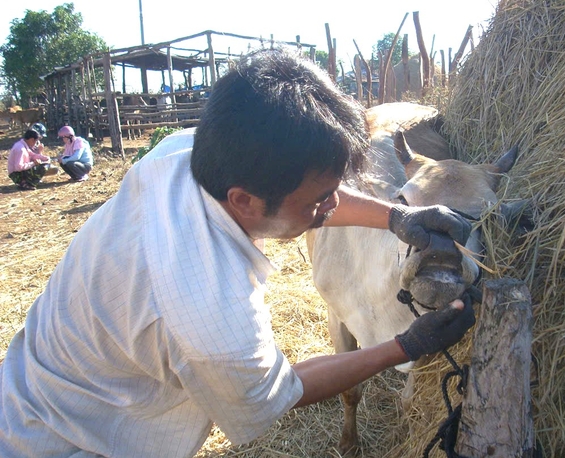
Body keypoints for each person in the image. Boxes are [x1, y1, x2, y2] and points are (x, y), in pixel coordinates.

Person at [0, 49, 475, 457]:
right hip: (72, 443)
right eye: (319, 200)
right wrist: (405, 346)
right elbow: (278, 393)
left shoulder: (187, 151)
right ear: (244, 200)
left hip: (28, 388)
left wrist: (397, 218)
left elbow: (304, 190)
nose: (330, 205)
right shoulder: (213, 318)